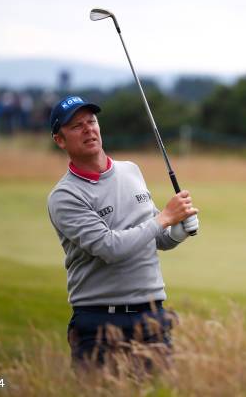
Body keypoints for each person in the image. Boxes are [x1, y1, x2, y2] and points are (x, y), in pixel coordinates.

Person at [46, 95, 199, 370]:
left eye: (91, 121)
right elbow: (111, 248)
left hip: (152, 316)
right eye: (76, 126)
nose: (88, 129)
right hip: (99, 323)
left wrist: (178, 230)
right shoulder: (64, 195)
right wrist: (165, 218)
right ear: (60, 140)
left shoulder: (131, 171)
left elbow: (158, 238)